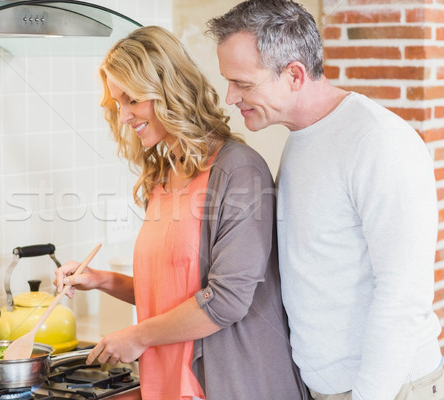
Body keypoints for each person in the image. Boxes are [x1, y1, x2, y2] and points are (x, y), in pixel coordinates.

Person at [54, 25, 308, 400]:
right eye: (117, 103)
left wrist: (137, 336)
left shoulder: (238, 172)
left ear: (168, 91)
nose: (123, 116)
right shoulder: (163, 174)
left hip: (237, 384)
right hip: (171, 383)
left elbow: (224, 302)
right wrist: (102, 280)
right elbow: (174, 295)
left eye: (132, 100)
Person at [207, 1, 444, 400]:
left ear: (295, 74)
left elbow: (403, 296)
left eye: (243, 84)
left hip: (392, 390)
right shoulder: (301, 140)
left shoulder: (379, 141)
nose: (231, 97)